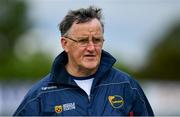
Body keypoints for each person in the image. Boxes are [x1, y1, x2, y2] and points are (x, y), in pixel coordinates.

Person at [13, 6, 154, 116]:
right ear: (65, 44)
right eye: (83, 41)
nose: (91, 48)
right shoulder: (40, 95)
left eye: (97, 40)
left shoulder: (126, 86)